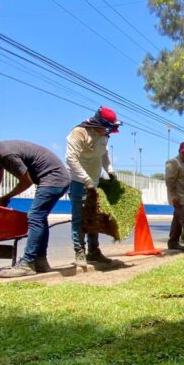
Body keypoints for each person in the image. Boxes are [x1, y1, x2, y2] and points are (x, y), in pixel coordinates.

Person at [0, 133, 71, 277]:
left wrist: (6, 197)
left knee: (34, 216)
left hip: (54, 178)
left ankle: (28, 263)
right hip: (53, 179)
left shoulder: (7, 155)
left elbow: (26, 181)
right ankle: (40, 261)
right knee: (40, 217)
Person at [65, 106, 120, 266]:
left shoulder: (104, 135)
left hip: (94, 181)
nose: (109, 132)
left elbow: (104, 154)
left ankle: (94, 252)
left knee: (94, 217)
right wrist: (85, 180)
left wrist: (109, 170)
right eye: (108, 129)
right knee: (79, 218)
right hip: (78, 181)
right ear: (99, 124)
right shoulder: (79, 133)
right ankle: (79, 252)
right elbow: (71, 159)